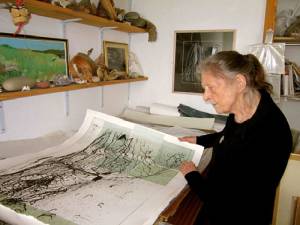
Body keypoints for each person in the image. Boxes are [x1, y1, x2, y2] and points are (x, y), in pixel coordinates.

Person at [179, 51, 292, 225]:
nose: (205, 96)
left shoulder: (269, 134)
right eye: (204, 88)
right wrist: (199, 140)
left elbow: (226, 202)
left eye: (211, 87)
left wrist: (192, 174)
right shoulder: (242, 107)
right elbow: (228, 136)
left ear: (239, 82)